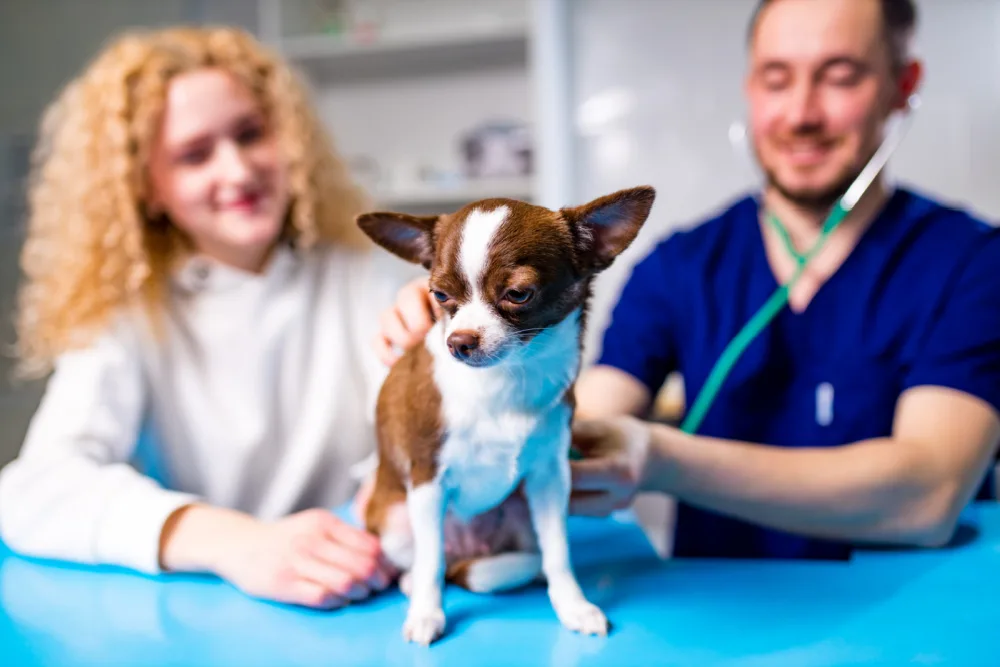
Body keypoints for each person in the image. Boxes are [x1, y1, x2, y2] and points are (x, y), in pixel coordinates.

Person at [373, 0, 1000, 560]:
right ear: (749, 89)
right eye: (776, 79)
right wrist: (456, 341)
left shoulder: (970, 262)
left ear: (902, 85)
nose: (801, 112)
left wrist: (662, 459)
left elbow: (929, 495)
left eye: (840, 76)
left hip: (912, 611)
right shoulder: (684, 265)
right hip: (711, 609)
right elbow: (581, 418)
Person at [0, 26, 417, 608]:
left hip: (363, 592)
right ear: (147, 188)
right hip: (197, 609)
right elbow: (36, 489)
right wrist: (235, 543)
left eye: (251, 134)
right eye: (194, 154)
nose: (239, 171)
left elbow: (432, 432)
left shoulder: (362, 276)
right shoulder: (129, 314)